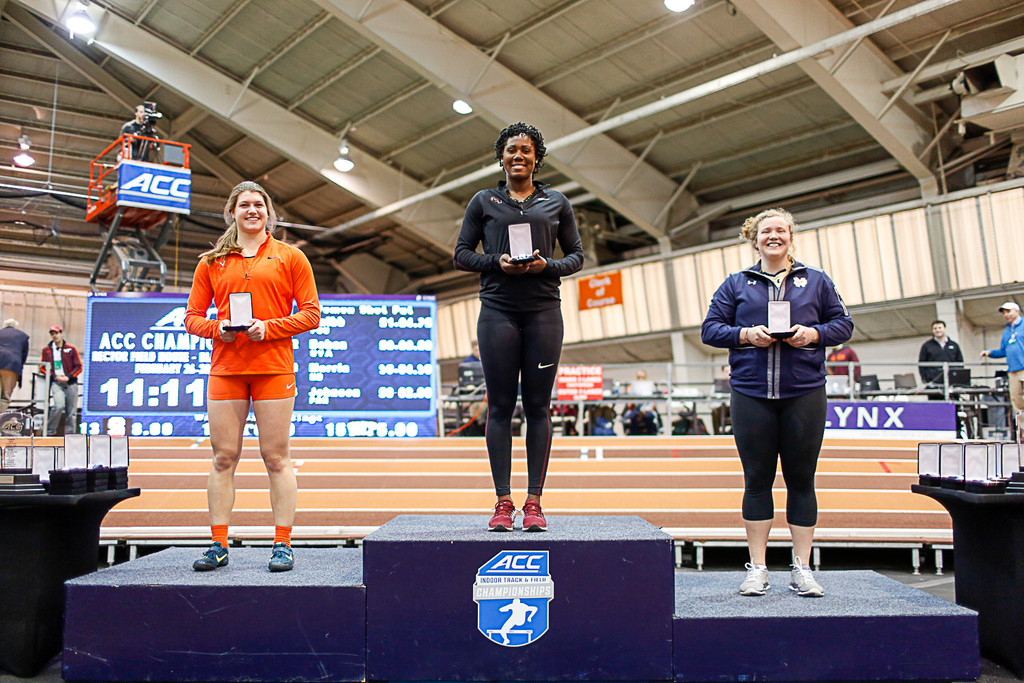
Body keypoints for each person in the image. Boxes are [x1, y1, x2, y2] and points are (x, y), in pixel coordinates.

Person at [701, 207, 853, 598]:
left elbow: (844, 324)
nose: (774, 236)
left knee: (802, 481)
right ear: (755, 239)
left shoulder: (817, 281)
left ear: (791, 237)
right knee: (757, 481)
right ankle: (758, 568)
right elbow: (710, 330)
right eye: (766, 230)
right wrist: (747, 335)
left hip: (804, 394)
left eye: (781, 230)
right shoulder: (736, 284)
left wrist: (814, 334)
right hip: (752, 394)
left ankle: (802, 568)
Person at [453, 121, 583, 532]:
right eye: (511, 150)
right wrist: (498, 262)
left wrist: (548, 267)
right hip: (498, 313)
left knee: (538, 407)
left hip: (544, 312)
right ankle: (503, 502)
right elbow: (460, 254)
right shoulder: (484, 201)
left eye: (526, 150)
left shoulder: (557, 202)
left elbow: (577, 256)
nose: (519, 156)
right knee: (500, 407)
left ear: (537, 158)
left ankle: (535, 503)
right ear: (501, 157)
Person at [184, 181, 320, 572]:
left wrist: (269, 327)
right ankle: (218, 544)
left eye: (258, 204)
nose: (252, 210)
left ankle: (282, 543)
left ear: (268, 213)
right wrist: (218, 329)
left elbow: (311, 314)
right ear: (232, 213)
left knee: (276, 457)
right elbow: (191, 318)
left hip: (274, 368)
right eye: (244, 205)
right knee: (223, 456)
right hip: (227, 369)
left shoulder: (291, 257)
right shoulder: (211, 262)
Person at [981, 302, 1024, 435]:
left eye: (1008, 311)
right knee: (1017, 402)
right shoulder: (1006, 331)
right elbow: (1003, 351)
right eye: (1004, 313)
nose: (1006, 315)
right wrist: (990, 353)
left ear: (1017, 311)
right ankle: (1023, 432)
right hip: (1013, 371)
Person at [40, 325, 82, 435]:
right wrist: (54, 376)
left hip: (71, 383)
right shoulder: (47, 350)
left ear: (61, 333)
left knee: (71, 411)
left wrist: (69, 376)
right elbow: (42, 367)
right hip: (56, 382)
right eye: (52, 334)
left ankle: (70, 435)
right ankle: (49, 430)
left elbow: (79, 366)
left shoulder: (71, 349)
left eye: (56, 333)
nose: (54, 336)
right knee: (58, 405)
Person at [919, 320, 963, 390]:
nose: (937, 330)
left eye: (940, 328)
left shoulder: (954, 345)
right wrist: (926, 380)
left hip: (951, 382)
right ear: (932, 330)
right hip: (933, 383)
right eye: (935, 328)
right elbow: (921, 364)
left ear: (945, 329)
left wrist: (958, 379)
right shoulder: (926, 346)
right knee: (936, 401)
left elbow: (960, 363)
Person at [0, 319, 29, 412]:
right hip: (12, 366)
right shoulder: (23, 336)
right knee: (5, 397)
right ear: (15, 327)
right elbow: (24, 356)